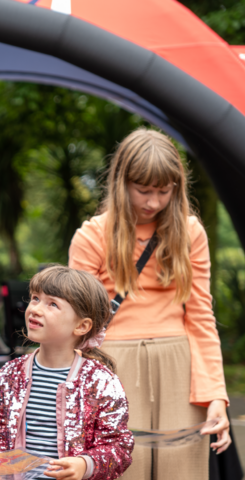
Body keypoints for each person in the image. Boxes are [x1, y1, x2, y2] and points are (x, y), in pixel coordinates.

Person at [68, 128, 231, 480]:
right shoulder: (92, 235)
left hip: (180, 363)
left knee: (182, 470)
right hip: (112, 362)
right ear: (121, 181)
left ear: (177, 188)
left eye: (163, 191)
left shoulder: (190, 232)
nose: (153, 202)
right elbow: (75, 323)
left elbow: (201, 316)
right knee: (118, 469)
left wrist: (216, 395)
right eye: (143, 190)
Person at [0, 265, 134, 480]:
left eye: (52, 304)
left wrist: (85, 465)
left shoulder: (101, 381)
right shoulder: (10, 374)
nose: (35, 308)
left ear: (81, 326)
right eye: (35, 298)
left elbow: (119, 447)